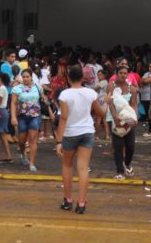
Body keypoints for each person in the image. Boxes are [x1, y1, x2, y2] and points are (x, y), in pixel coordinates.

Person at [56, 65, 103, 214]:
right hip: (87, 131)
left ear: (68, 78)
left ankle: (68, 200)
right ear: (82, 78)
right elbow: (100, 113)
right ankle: (81, 203)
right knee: (83, 168)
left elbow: (63, 118)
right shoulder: (91, 93)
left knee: (67, 166)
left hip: (70, 133)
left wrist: (58, 141)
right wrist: (107, 102)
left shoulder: (64, 94)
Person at [11, 69, 48, 172]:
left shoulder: (38, 87)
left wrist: (46, 103)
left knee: (33, 140)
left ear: (31, 77)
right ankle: (23, 154)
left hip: (35, 116)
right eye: (23, 77)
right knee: (22, 141)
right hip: (22, 116)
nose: (25, 79)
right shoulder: (17, 89)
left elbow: (44, 98)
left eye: (27, 76)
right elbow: (13, 103)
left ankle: (32, 163)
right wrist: (13, 117)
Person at [107, 65, 139, 179]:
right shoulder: (111, 86)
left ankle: (127, 163)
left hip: (128, 120)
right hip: (115, 119)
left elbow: (134, 104)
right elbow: (110, 103)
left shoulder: (132, 89)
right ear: (116, 74)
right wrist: (115, 116)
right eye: (120, 73)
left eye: (125, 73)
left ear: (127, 75)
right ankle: (119, 171)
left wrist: (134, 117)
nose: (123, 75)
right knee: (118, 145)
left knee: (130, 146)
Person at [0, 72, 13, 163]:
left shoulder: (1, 89)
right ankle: (8, 155)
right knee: (2, 135)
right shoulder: (3, 88)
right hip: (3, 112)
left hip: (0, 111)